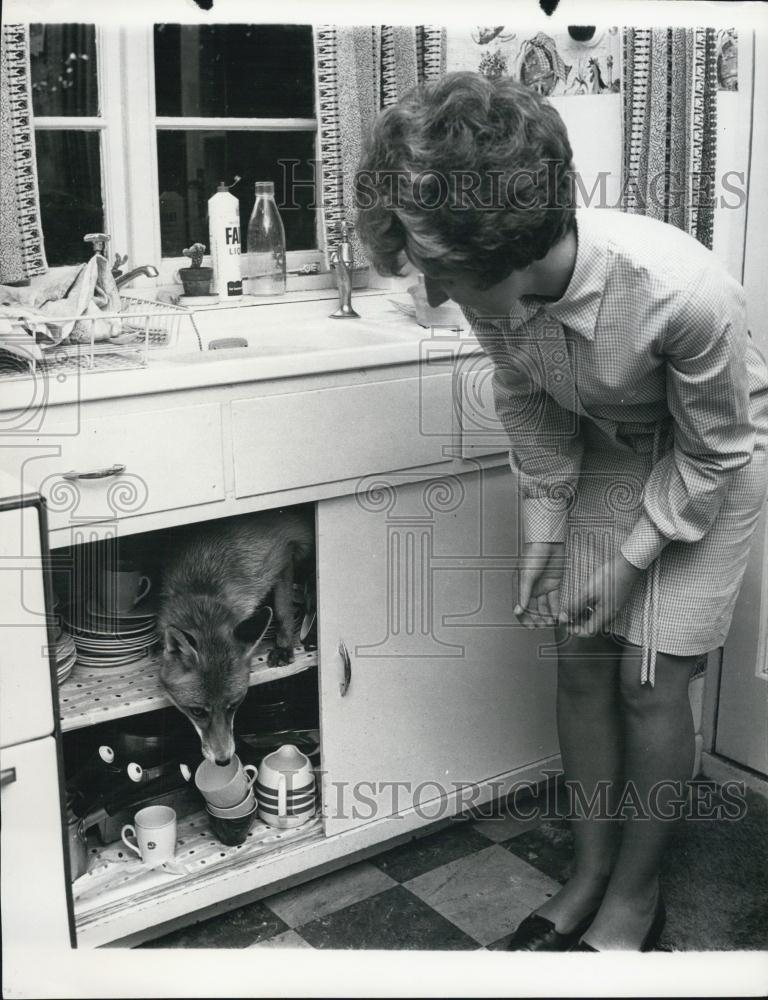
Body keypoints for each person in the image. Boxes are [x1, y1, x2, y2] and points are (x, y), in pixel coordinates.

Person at [355, 71, 768, 951]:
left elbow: (716, 450)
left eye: (440, 268)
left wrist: (628, 560)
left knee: (648, 681)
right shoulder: (487, 291)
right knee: (579, 662)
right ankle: (585, 878)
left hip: (707, 462)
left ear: (511, 240)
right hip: (609, 451)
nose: (431, 291)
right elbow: (531, 399)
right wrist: (545, 532)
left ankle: (634, 896)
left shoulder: (679, 292)